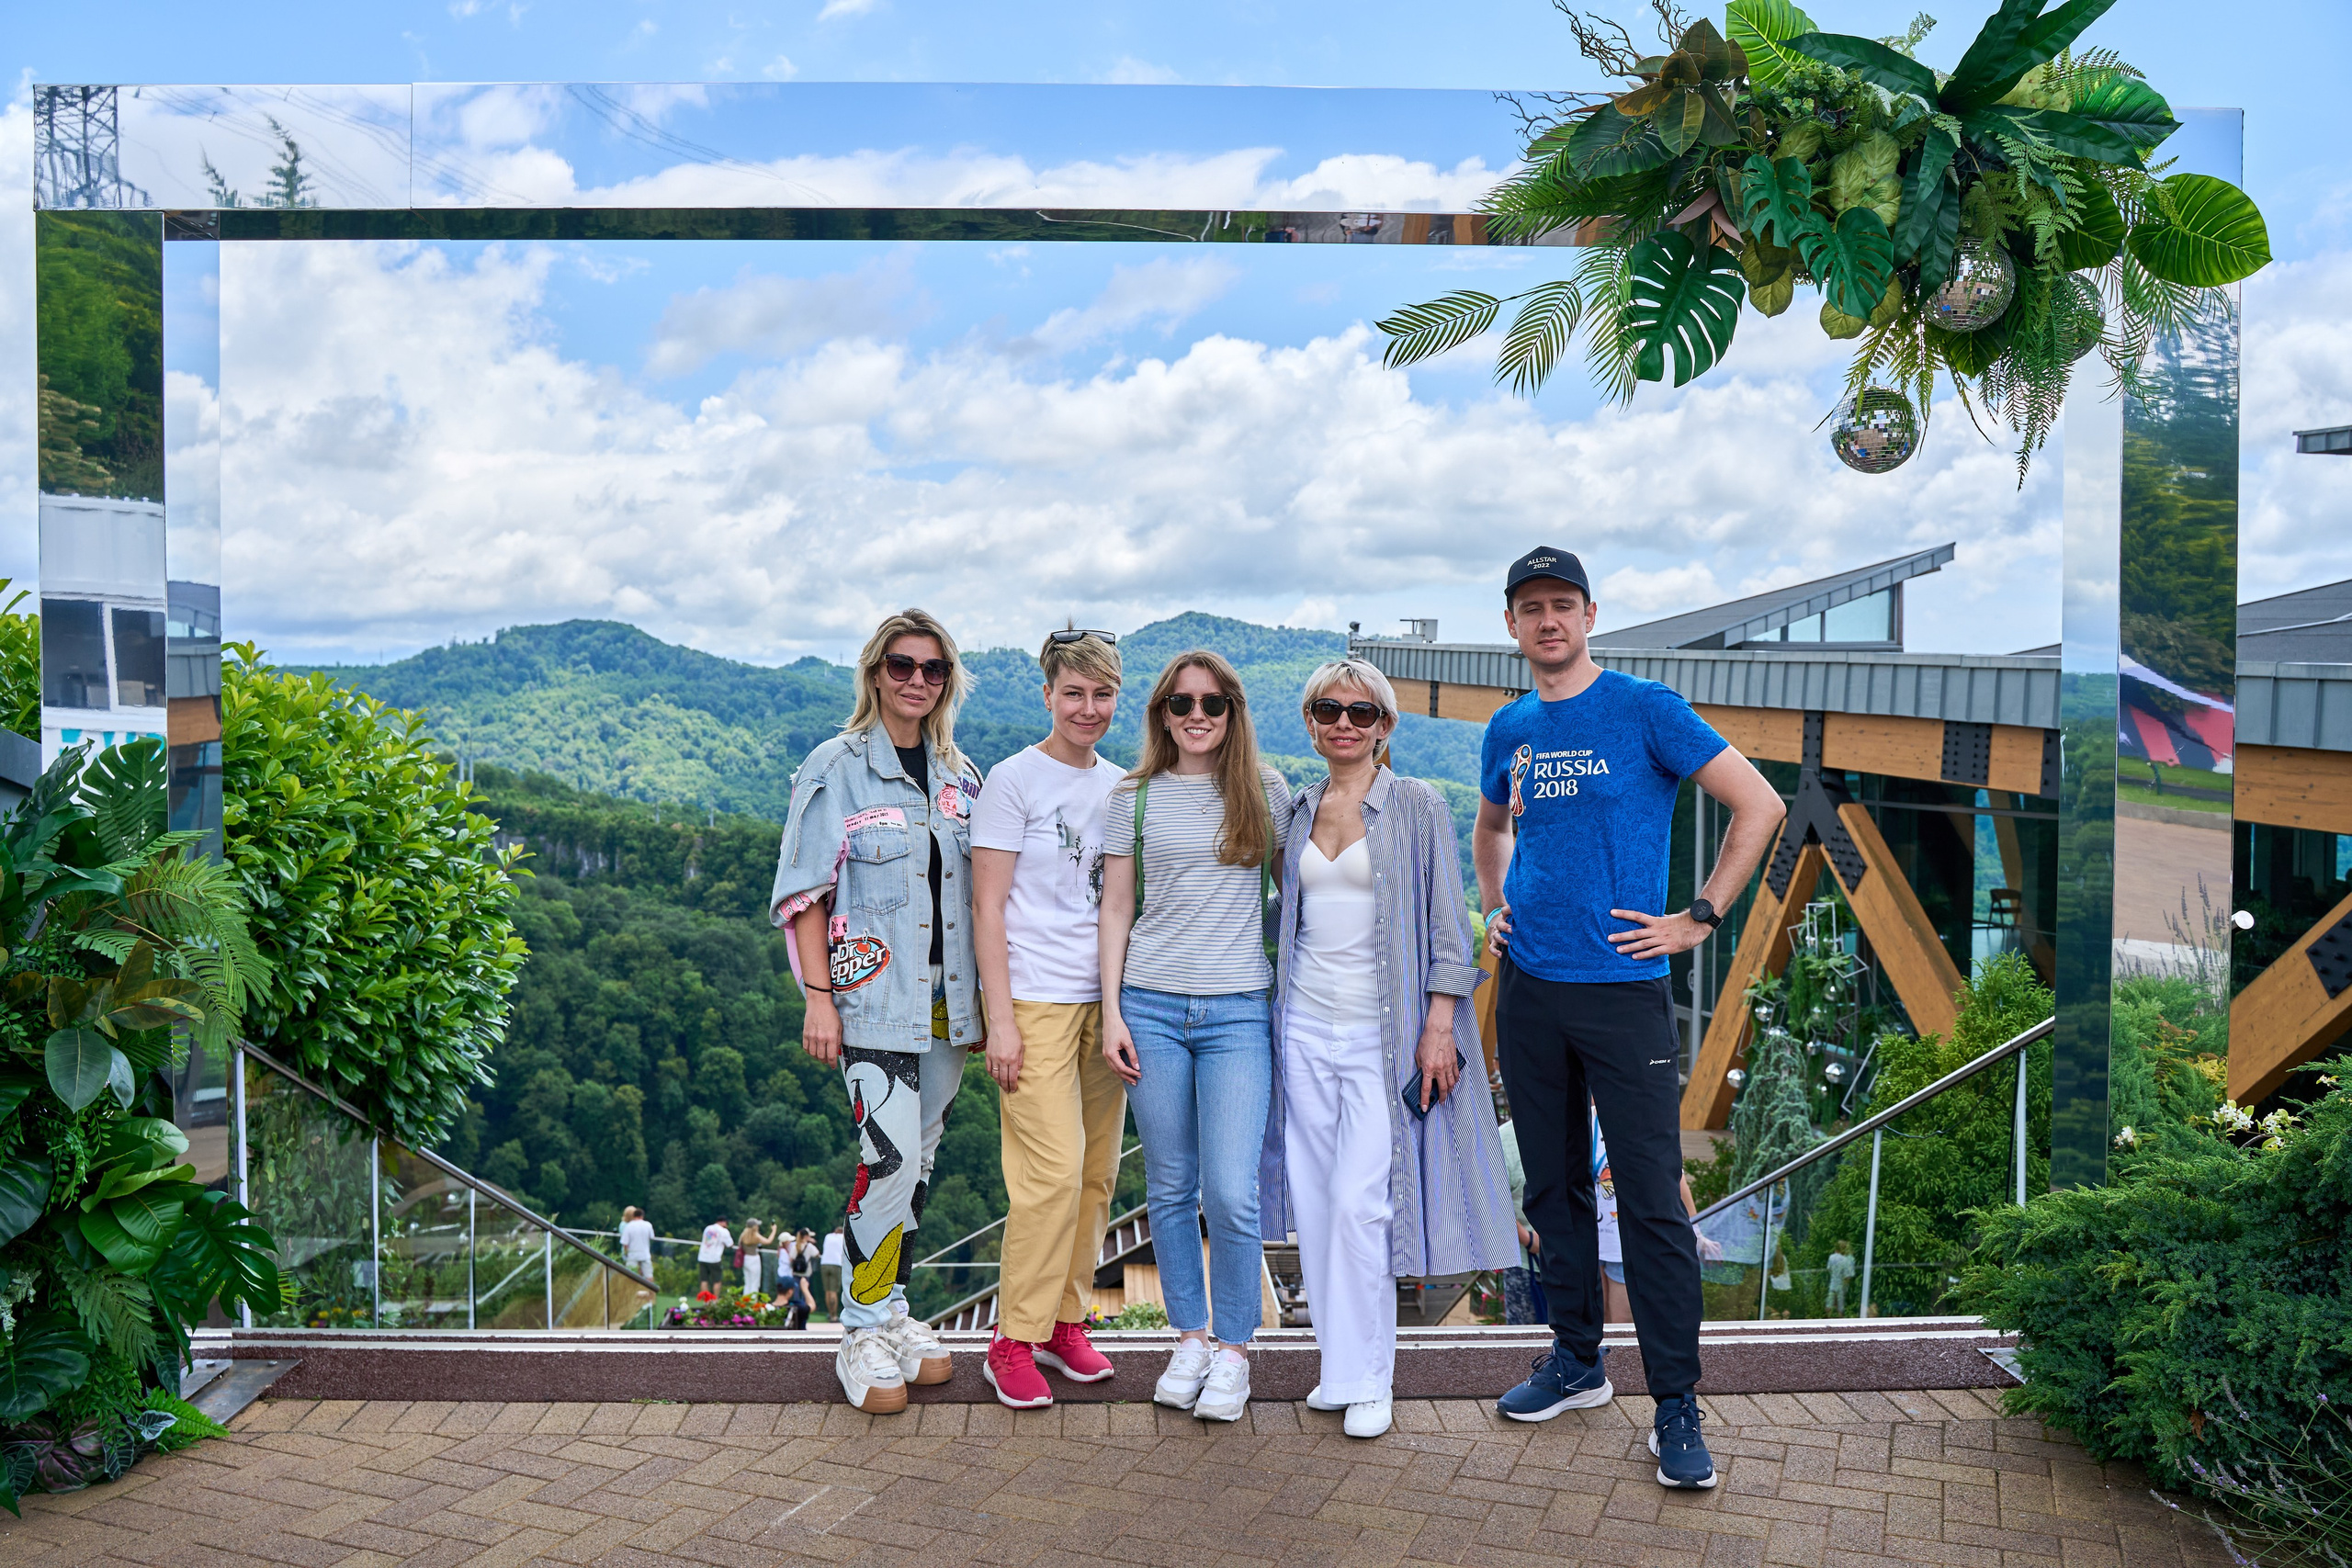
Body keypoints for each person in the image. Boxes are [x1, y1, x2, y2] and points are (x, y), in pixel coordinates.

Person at [1474, 547, 1786, 1490]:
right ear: (1513, 626)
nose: (1547, 621)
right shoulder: (1510, 725)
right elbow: (1492, 826)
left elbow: (1759, 805)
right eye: (1530, 608)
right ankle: (1575, 1363)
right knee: (1553, 1191)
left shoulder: (1647, 709)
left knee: (1650, 1204)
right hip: (1528, 988)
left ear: (1590, 614)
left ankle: (1675, 1406)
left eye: (1561, 605)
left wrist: (1699, 917)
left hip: (1621, 994)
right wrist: (1496, 905)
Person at [1261, 659, 1518, 1439]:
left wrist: (1440, 1023)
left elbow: (1451, 923)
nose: (1345, 722)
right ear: (1310, 720)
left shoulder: (1416, 805)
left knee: (1362, 1203)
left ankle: (1375, 1375)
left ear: (1386, 725)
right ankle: (1337, 1369)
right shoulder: (1296, 811)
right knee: (1314, 1203)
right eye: (1330, 709)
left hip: (1384, 1036)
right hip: (1302, 1025)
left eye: (1362, 712)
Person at [773, 608, 980, 1413]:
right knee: (887, 1156)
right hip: (869, 1000)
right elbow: (804, 895)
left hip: (946, 1004)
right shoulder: (835, 766)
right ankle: (859, 1326)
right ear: (875, 672)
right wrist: (818, 1000)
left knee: (919, 1160)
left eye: (933, 668)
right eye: (902, 665)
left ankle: (889, 1304)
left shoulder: (963, 776)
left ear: (948, 679)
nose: (917, 681)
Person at [1100, 650, 1292, 1424]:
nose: (1197, 715)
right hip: (1148, 1005)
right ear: (1162, 712)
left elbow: (1304, 893)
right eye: (1182, 703)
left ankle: (1236, 1350)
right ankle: (1189, 1337)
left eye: (1212, 702)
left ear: (1233, 710)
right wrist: (1112, 1009)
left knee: (1231, 1191)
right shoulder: (1133, 796)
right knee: (1171, 1186)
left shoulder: (1265, 791)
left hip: (1239, 1009)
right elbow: (1116, 906)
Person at [970, 626, 1127, 1409]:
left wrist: (1124, 1005)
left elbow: (1124, 906)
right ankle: (1011, 1340)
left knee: (1097, 1173)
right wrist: (999, 1019)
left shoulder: (1124, 786)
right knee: (1051, 1173)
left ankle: (1066, 1319)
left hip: (1106, 1000)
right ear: (1048, 695)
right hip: (1032, 999)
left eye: (1102, 694)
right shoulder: (1013, 780)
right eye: (1074, 693)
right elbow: (987, 906)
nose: (1088, 708)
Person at [1495, 1122, 1547, 1326]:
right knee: (1527, 1339)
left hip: (1573, 1260)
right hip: (1525, 1262)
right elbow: (1494, 1203)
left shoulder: (1571, 1126)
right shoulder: (1503, 1139)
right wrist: (1530, 1240)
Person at [697, 1216, 733, 1294]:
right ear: (723, 1222)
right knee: (717, 1281)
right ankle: (715, 1300)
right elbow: (730, 1244)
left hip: (702, 1257)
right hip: (714, 1259)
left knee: (704, 1280)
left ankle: (706, 1301)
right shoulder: (724, 1231)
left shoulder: (708, 1228)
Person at [617, 1206, 655, 1277]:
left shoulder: (625, 1225)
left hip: (630, 1254)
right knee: (646, 1274)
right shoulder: (646, 1225)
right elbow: (652, 1237)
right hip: (640, 1253)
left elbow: (625, 1242)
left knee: (632, 1274)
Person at [738, 1217, 768, 1298]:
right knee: (755, 1282)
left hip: (746, 1259)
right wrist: (774, 1230)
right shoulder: (756, 1236)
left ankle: (745, 1300)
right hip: (754, 1258)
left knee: (747, 1282)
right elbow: (768, 1241)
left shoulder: (743, 1235)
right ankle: (753, 1301)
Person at [821, 1224, 847, 1318]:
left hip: (824, 1263)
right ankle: (834, 1315)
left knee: (827, 1291)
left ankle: (830, 1312)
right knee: (833, 1291)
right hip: (836, 1264)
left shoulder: (828, 1236)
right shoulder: (843, 1238)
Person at [1826, 1239, 1857, 1315]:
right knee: (1840, 1308)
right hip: (1841, 1286)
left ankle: (1829, 1319)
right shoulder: (1846, 1260)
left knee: (1829, 1305)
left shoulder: (1831, 1257)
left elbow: (1829, 1269)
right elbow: (1848, 1276)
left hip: (1833, 1284)